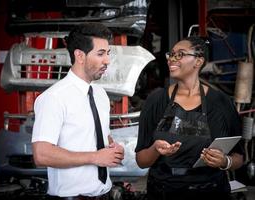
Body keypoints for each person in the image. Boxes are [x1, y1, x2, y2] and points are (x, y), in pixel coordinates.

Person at [135, 36, 244, 200]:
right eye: (171, 54)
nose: (172, 58)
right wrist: (155, 149)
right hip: (163, 191)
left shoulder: (221, 103)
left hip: (210, 190)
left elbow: (239, 157)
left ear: (198, 62)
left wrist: (224, 162)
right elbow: (142, 161)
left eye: (180, 54)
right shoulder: (156, 100)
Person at [32, 22, 124, 200]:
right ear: (80, 56)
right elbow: (41, 154)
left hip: (105, 194)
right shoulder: (54, 98)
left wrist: (113, 147)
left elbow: (99, 135)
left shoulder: (100, 94)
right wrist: (95, 157)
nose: (107, 61)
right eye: (100, 54)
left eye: (108, 53)